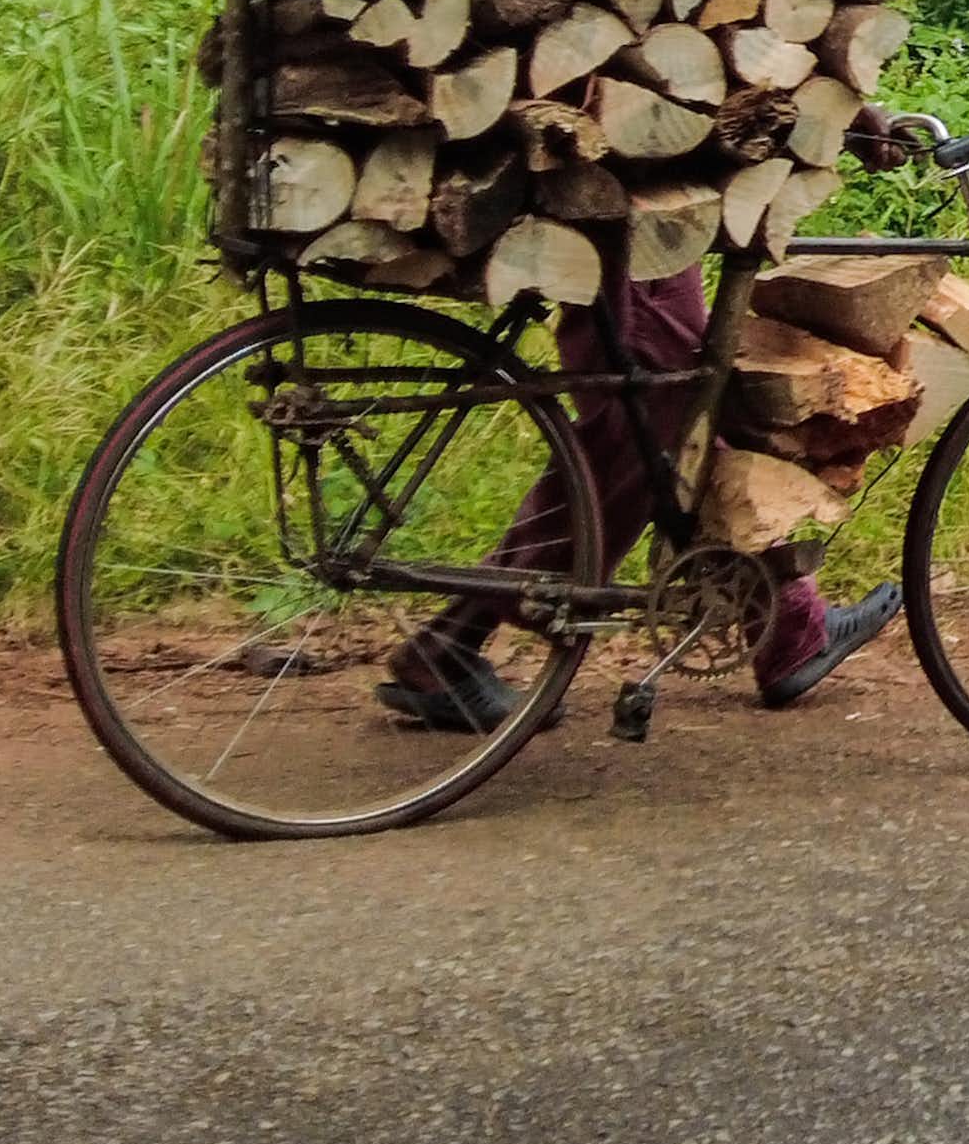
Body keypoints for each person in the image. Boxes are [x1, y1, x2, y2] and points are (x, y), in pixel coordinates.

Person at [377, 114, 915, 732]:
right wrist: (838, 117)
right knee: (659, 430)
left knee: (672, 413)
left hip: (642, 189)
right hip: (624, 189)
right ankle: (452, 645)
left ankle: (790, 625)